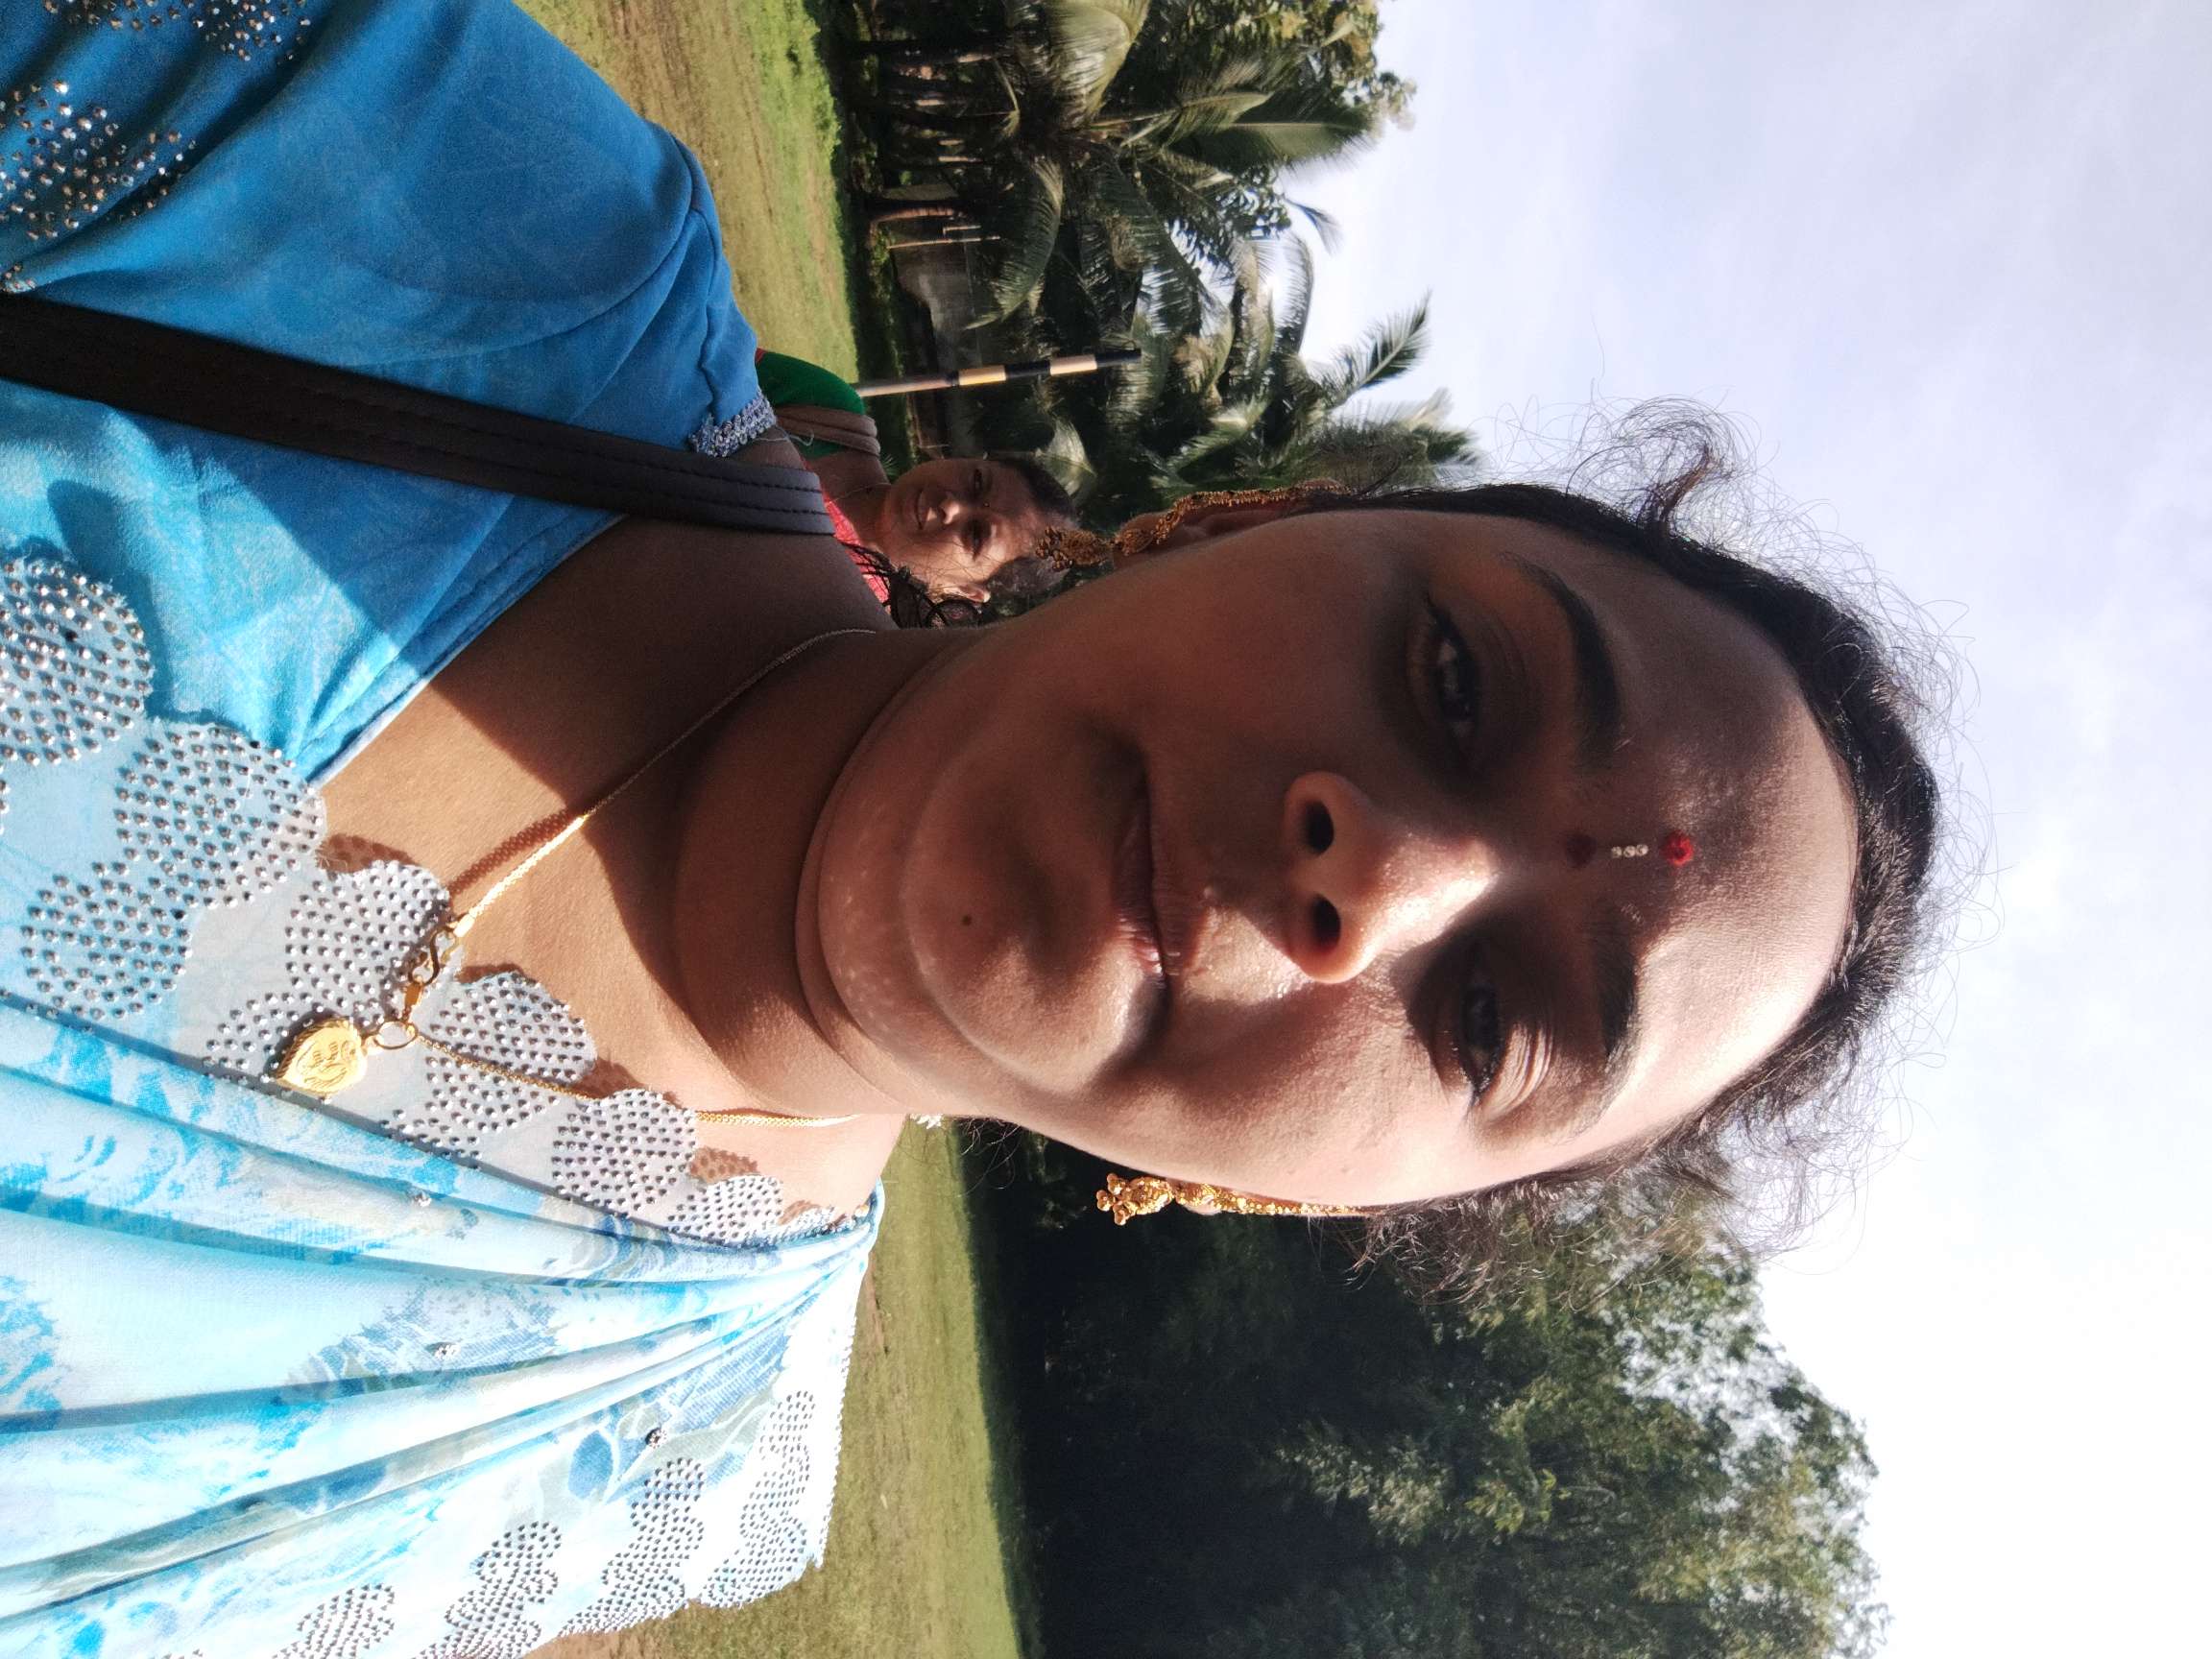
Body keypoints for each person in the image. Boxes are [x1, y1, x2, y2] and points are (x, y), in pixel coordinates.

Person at [0, 3, 1942, 1655]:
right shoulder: (443, 214)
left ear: (1326, 1201)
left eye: (1492, 1019)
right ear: (1261, 516)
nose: (1376, 879)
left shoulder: (672, 1460)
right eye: (1454, 678)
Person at [756, 348, 1077, 602]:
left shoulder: (842, 627)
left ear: (967, 591)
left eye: (976, 534)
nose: (951, 505)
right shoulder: (825, 408)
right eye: (976, 482)